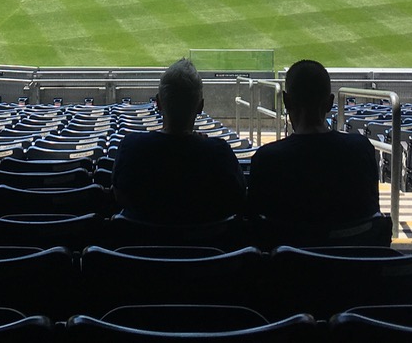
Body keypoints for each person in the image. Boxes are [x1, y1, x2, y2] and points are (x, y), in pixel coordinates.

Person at [246, 59, 379, 237]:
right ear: (331, 102)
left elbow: (253, 227)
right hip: (351, 263)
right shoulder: (362, 150)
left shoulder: (266, 159)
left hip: (288, 264)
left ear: (286, 100)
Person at [112, 58, 245, 224]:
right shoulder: (220, 153)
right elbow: (238, 199)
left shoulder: (130, 147)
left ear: (158, 103)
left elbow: (120, 197)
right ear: (200, 107)